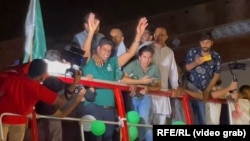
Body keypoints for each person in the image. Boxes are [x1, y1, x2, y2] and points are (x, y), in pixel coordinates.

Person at [81, 13, 148, 141]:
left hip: (110, 110)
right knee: (96, 138)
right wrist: (91, 33)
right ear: (98, 49)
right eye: (104, 49)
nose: (107, 52)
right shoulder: (89, 62)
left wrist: (138, 35)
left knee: (108, 138)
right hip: (93, 107)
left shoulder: (112, 62)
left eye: (109, 50)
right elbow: (85, 52)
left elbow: (129, 54)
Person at [0, 59, 85, 141]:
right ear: (42, 75)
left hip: (2, 117)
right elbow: (62, 101)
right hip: (20, 121)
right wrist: (75, 83)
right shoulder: (39, 90)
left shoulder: (12, 78)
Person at [121, 45, 161, 141]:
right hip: (131, 97)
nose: (147, 60)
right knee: (132, 122)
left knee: (145, 122)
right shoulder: (132, 65)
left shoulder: (155, 68)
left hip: (145, 97)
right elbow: (122, 79)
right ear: (139, 57)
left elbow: (159, 86)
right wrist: (138, 82)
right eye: (144, 57)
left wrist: (148, 89)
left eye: (149, 57)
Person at [185, 32, 221, 124]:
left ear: (212, 43)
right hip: (191, 86)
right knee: (189, 115)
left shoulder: (216, 56)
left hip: (205, 89)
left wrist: (207, 90)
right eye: (203, 42)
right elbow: (186, 68)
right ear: (199, 42)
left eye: (207, 42)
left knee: (202, 117)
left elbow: (216, 75)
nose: (205, 44)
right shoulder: (192, 52)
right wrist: (196, 63)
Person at [150, 27, 179, 125]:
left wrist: (175, 88)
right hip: (149, 91)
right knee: (146, 125)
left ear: (166, 37)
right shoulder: (148, 49)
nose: (158, 37)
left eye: (161, 35)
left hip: (163, 93)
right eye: (156, 34)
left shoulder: (169, 52)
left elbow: (173, 71)